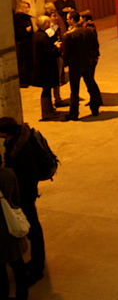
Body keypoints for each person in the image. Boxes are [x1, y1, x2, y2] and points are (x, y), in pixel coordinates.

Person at [0, 117, 48, 286]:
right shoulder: (19, 139)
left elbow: (29, 174)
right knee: (32, 229)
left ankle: (37, 268)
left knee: (32, 229)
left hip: (25, 195)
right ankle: (36, 262)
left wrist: (20, 195)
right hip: (24, 193)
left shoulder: (21, 149)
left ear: (5, 133)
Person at [61, 11, 102, 120]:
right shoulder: (89, 32)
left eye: (68, 19)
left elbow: (66, 52)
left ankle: (74, 113)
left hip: (74, 65)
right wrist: (92, 58)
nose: (67, 21)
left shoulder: (67, 35)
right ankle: (95, 108)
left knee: (74, 90)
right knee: (91, 84)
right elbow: (95, 46)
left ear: (72, 20)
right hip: (87, 63)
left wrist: (64, 64)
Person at [0, 162, 28, 300]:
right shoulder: (9, 174)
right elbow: (17, 198)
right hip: (11, 224)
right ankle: (22, 295)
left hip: (1, 231)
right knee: (18, 264)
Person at [31, 16, 62, 121]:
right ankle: (46, 112)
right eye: (48, 23)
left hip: (40, 66)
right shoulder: (43, 36)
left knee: (46, 89)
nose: (49, 25)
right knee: (46, 89)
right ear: (44, 24)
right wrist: (56, 47)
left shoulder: (36, 34)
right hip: (46, 68)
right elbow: (48, 52)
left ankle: (49, 109)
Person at [13, 1, 34, 88]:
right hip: (22, 43)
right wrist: (26, 31)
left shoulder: (26, 17)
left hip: (28, 43)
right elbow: (17, 31)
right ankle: (24, 81)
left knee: (29, 61)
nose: (28, 9)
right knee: (23, 63)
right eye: (26, 7)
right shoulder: (18, 17)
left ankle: (30, 79)